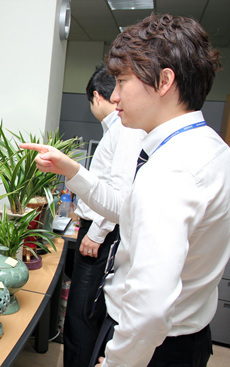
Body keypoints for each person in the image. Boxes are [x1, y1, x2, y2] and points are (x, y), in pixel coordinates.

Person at [21, 13, 230, 367]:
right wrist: (72, 170)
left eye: (122, 81)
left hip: (152, 346)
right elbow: (128, 211)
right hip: (185, 336)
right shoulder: (211, 149)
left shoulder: (169, 171)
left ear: (164, 81)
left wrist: (118, 362)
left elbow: (150, 305)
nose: (114, 97)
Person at [63, 65, 145, 367]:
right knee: (82, 315)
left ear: (97, 96)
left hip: (103, 235)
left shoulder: (125, 129)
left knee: (82, 317)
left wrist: (96, 233)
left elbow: (120, 190)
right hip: (98, 229)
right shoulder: (118, 129)